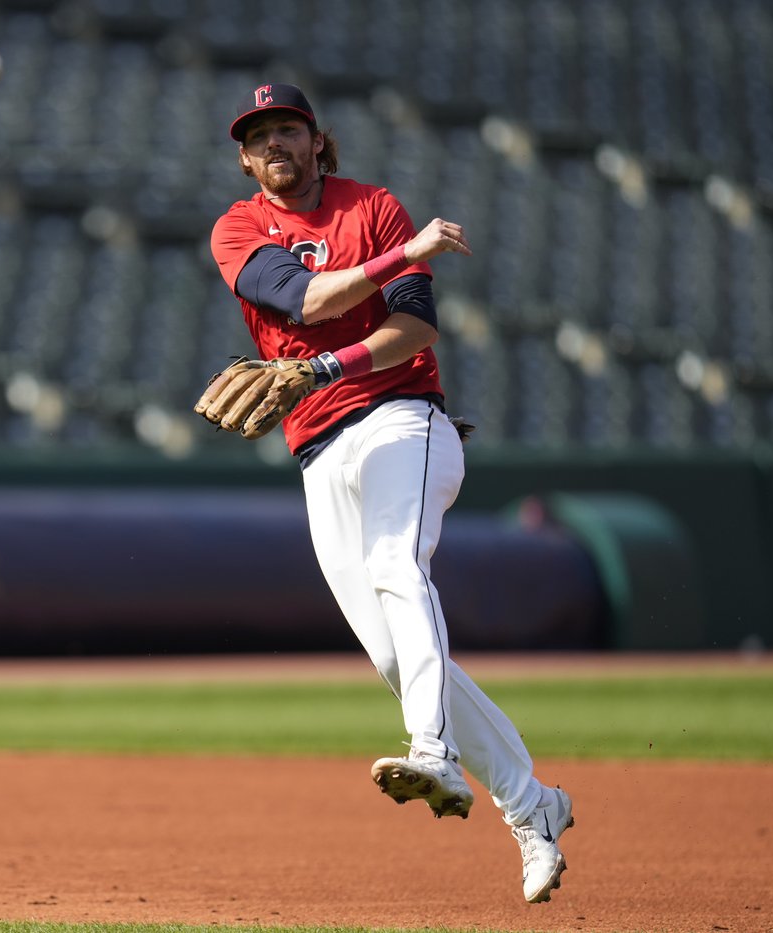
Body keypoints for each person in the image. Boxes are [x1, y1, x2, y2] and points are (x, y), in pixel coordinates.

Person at [207, 83, 575, 904]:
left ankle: (435, 755)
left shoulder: (371, 205)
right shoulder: (238, 228)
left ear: (316, 140)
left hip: (401, 419)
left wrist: (331, 359)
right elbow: (305, 300)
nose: (275, 143)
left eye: (288, 129)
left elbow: (414, 329)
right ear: (243, 155)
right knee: (395, 654)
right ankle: (534, 806)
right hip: (316, 451)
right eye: (259, 134)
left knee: (396, 567)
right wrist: (404, 254)